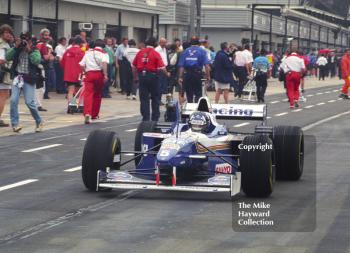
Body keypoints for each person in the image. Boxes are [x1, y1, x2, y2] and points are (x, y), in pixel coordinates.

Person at [6, 32, 43, 132]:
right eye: (23, 40)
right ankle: (15, 124)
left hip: (29, 78)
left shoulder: (35, 50)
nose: (25, 43)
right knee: (13, 100)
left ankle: (39, 121)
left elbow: (36, 61)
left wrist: (29, 50)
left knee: (29, 102)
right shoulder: (17, 49)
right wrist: (15, 47)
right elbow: (7, 57)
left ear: (31, 41)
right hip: (18, 77)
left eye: (27, 41)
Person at [132, 36, 168, 121]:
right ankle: (155, 118)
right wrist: (167, 74)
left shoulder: (140, 52)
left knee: (144, 98)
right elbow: (162, 67)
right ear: (155, 44)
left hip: (142, 76)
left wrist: (136, 77)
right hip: (153, 76)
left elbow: (133, 66)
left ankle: (145, 118)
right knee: (155, 97)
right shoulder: (156, 53)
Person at [79, 39, 109, 124]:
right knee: (97, 95)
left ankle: (87, 113)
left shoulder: (88, 53)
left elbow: (81, 65)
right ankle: (94, 114)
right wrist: (105, 74)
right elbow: (104, 64)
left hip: (89, 74)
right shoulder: (104, 53)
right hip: (99, 74)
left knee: (88, 94)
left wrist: (85, 72)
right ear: (103, 46)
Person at [178, 36, 211, 103]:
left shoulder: (185, 51)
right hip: (197, 74)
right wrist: (208, 76)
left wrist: (180, 77)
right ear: (198, 43)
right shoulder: (202, 51)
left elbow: (181, 66)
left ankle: (190, 108)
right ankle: (196, 108)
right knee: (198, 93)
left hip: (187, 74)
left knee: (189, 93)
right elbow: (206, 65)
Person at [61, 36, 85, 107]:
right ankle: (79, 106)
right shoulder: (82, 52)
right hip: (79, 74)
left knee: (70, 91)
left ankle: (71, 106)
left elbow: (62, 63)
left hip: (68, 74)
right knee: (78, 91)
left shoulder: (67, 51)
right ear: (80, 44)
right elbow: (84, 64)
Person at [0, 24, 13, 127]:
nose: (8, 35)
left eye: (9, 32)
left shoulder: (6, 44)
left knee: (5, 95)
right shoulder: (3, 45)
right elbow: (1, 60)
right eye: (6, 32)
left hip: (3, 73)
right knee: (3, 95)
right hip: (3, 73)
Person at [36, 28, 52, 99]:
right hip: (41, 67)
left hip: (43, 66)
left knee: (43, 84)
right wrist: (50, 52)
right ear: (41, 35)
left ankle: (43, 97)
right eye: (45, 35)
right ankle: (38, 104)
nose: (47, 37)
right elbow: (46, 57)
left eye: (48, 35)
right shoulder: (41, 44)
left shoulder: (43, 44)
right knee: (41, 85)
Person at [155, 37, 169, 104]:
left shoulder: (164, 49)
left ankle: (159, 99)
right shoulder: (157, 50)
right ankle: (157, 99)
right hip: (159, 69)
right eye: (163, 42)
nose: (165, 44)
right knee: (159, 85)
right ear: (160, 42)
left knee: (162, 85)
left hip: (164, 68)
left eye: (165, 42)